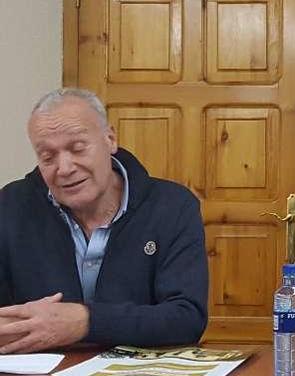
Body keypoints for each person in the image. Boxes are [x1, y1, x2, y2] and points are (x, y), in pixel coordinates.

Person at [0, 88, 208, 354]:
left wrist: (86, 322)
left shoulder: (172, 206)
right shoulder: (11, 206)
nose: (64, 169)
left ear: (110, 139)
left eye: (77, 148)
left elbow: (187, 318)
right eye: (48, 157)